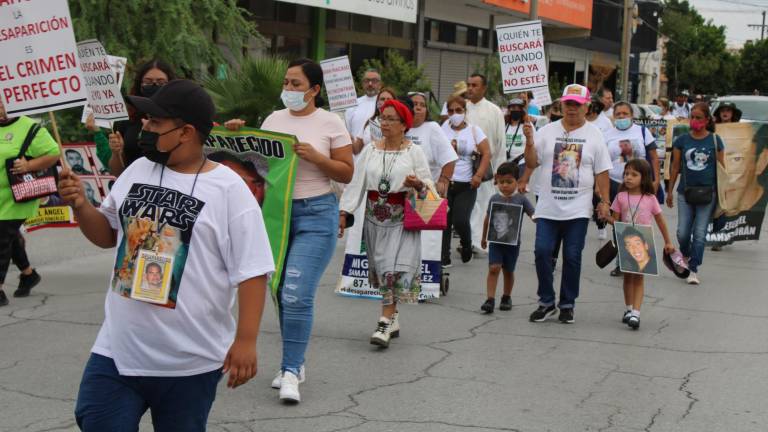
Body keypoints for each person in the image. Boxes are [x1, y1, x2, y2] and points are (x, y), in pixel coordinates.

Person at [63, 79, 274, 431]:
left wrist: (246, 340)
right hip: (118, 351)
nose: (143, 127)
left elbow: (252, 270)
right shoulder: (137, 170)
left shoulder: (229, 190)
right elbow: (105, 234)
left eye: (155, 122)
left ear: (186, 132)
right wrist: (81, 205)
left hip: (189, 361)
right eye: (145, 120)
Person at [225, 58, 354, 403]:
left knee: (297, 292)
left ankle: (292, 370)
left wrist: (316, 157)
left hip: (317, 215)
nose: (289, 90)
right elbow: (255, 166)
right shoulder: (273, 120)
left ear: (314, 90)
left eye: (296, 84)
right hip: (276, 216)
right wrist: (237, 135)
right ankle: (295, 362)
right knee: (282, 290)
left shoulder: (331, 122)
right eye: (286, 83)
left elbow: (345, 173)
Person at [339, 99, 433, 348]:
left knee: (392, 270)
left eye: (391, 119)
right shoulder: (370, 150)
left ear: (404, 124)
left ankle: (384, 321)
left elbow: (429, 187)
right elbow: (356, 183)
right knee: (382, 270)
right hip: (374, 220)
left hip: (402, 219)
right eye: (383, 117)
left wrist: (418, 185)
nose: (385, 123)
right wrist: (344, 212)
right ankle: (393, 318)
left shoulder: (414, 152)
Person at [524, 84, 612, 324]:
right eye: (568, 104)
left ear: (586, 107)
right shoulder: (546, 131)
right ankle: (546, 301)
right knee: (542, 252)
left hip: (578, 209)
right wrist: (529, 141)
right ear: (561, 105)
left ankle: (567, 304)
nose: (572, 108)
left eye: (577, 104)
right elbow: (532, 162)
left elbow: (602, 172)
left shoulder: (595, 135)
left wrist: (604, 201)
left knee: (572, 256)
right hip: (548, 207)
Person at [0, 100, 60, 307]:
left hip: (17, 196)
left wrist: (28, 164)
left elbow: (54, 152)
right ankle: (28, 274)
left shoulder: (29, 127)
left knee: (1, 238)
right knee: (9, 236)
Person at [609, 159, 675, 330]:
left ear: (644, 177)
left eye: (634, 174)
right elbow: (615, 222)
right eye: (626, 174)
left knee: (639, 278)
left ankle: (636, 314)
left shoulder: (650, 198)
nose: (628, 177)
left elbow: (660, 221)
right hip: (625, 241)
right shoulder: (620, 197)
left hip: (643, 242)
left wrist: (668, 241)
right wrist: (606, 216)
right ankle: (629, 308)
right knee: (628, 277)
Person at [666, 102, 724, 285]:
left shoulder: (715, 140)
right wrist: (670, 191)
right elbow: (675, 167)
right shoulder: (682, 140)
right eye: (693, 117)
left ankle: (693, 268)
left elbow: (723, 170)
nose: (695, 121)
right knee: (682, 233)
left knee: (699, 234)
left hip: (708, 194)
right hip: (685, 193)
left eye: (699, 118)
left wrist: (724, 196)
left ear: (707, 120)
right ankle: (686, 254)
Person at [601, 102, 659, 270]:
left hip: (639, 186)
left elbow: (654, 157)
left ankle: (639, 258)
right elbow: (602, 161)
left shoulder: (642, 131)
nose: (621, 117)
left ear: (632, 115)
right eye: (617, 114)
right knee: (619, 222)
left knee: (637, 220)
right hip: (615, 183)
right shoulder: (607, 134)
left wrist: (655, 180)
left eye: (624, 113)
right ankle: (622, 262)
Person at [441, 96, 492, 266]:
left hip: (467, 184)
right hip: (446, 183)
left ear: (465, 112)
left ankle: (467, 244)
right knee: (445, 222)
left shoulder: (474, 131)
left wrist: (478, 175)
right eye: (450, 111)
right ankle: (444, 258)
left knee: (460, 220)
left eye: (458, 110)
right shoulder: (442, 129)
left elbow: (486, 153)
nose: (454, 114)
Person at [479, 162, 535, 313]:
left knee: (508, 270)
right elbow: (487, 219)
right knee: (494, 268)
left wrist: (540, 220)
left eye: (509, 182)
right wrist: (483, 238)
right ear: (497, 181)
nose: (505, 185)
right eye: (502, 182)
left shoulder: (521, 199)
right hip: (496, 242)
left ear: (517, 181)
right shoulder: (494, 198)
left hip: (512, 243)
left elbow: (533, 214)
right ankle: (490, 299)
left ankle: (506, 296)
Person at [107, 59, 176, 176]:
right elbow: (116, 173)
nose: (154, 85)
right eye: (148, 82)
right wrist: (116, 153)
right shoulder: (128, 119)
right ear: (140, 85)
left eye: (161, 82)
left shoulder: (178, 119)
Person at [465, 73, 505, 255]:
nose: (470, 88)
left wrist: (499, 170)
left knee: (482, 203)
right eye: (469, 85)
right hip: (463, 164)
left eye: (474, 85)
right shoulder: (461, 109)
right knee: (467, 204)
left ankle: (477, 242)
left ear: (484, 88)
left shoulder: (494, 111)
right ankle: (467, 240)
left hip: (485, 164)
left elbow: (500, 142)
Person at [406, 92, 457, 196]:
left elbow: (449, 159)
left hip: (425, 192)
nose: (419, 108)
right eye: (415, 104)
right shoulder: (400, 126)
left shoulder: (432, 128)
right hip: (401, 189)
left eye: (423, 105)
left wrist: (443, 181)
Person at [353, 87, 396, 154]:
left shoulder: (398, 124)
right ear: (377, 103)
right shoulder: (369, 122)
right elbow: (356, 150)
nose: (385, 101)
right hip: (366, 162)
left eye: (389, 99)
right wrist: (350, 139)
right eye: (382, 99)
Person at [345, 68, 382, 141]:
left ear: (380, 84)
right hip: (356, 151)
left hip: (378, 150)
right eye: (367, 81)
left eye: (374, 81)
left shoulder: (385, 103)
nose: (370, 84)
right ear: (362, 84)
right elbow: (347, 130)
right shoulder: (353, 104)